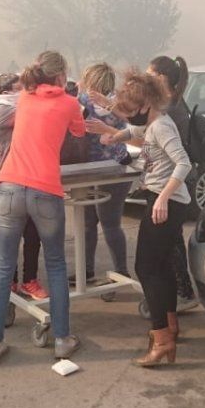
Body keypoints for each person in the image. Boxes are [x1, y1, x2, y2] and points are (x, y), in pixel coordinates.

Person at [0, 51, 84, 366]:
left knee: (2, 267)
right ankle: (62, 340)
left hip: (8, 187)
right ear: (61, 75)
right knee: (55, 264)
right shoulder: (69, 102)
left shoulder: (25, 97)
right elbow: (79, 131)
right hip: (45, 190)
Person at [87, 70, 192, 367]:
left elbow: (184, 163)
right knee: (161, 266)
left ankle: (162, 340)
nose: (129, 116)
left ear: (146, 105)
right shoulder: (153, 123)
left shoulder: (162, 126)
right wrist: (115, 136)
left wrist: (163, 197)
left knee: (145, 268)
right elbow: (137, 132)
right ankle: (169, 328)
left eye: (132, 111)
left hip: (165, 202)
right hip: (162, 199)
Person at [0, 73, 47, 300]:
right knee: (9, 238)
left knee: (32, 234)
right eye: (20, 88)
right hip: (2, 184)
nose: (25, 92)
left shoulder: (18, 107)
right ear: (5, 92)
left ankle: (29, 281)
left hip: (25, 181)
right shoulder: (1, 110)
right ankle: (9, 283)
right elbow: (36, 113)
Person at [148, 55, 199, 311]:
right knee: (172, 240)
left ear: (161, 78)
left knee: (172, 242)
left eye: (150, 75)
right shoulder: (172, 103)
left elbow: (180, 159)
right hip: (172, 180)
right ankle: (181, 291)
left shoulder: (171, 109)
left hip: (173, 182)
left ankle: (183, 293)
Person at [75, 63, 130, 283]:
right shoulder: (121, 105)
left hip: (96, 170)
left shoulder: (84, 102)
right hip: (114, 168)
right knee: (105, 224)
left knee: (96, 224)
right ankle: (111, 271)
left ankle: (113, 272)